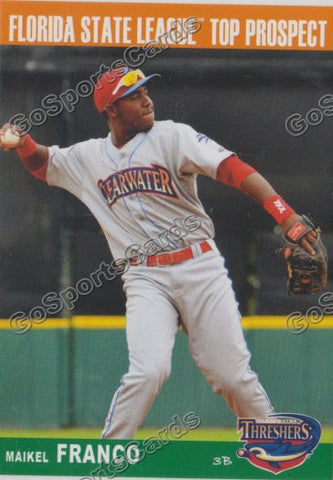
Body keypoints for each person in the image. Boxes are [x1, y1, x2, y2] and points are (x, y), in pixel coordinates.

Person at [0, 67, 317, 439]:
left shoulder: (172, 136)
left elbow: (233, 169)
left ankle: (274, 447)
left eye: (146, 91)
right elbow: (44, 163)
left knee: (232, 376)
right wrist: (21, 143)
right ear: (112, 109)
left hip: (199, 266)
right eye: (134, 95)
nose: (147, 99)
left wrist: (286, 214)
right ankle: (110, 455)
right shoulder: (88, 157)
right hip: (145, 277)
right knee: (148, 371)